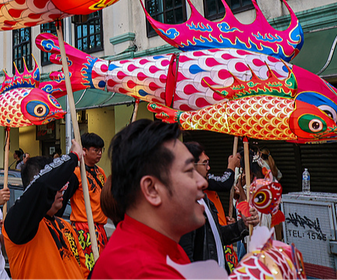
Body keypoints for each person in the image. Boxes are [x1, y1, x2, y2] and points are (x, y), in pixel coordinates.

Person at [90, 119, 207, 280]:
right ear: (151, 189)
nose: (202, 182)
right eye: (189, 171)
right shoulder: (144, 271)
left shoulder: (161, 246)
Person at [3, 143, 88, 280]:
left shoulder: (64, 226)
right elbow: (42, 185)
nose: (62, 189)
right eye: (58, 184)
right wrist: (73, 157)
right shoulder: (19, 223)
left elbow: (83, 270)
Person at [179, 142, 259, 272]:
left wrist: (242, 224)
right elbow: (186, 258)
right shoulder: (183, 207)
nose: (209, 168)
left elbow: (217, 235)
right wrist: (231, 166)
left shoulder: (204, 200)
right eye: (205, 163)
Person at [64, 132, 108, 271]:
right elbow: (64, 198)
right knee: (88, 269)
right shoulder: (76, 173)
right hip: (84, 228)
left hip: (100, 227)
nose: (99, 153)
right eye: (95, 150)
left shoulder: (100, 172)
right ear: (84, 150)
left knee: (101, 267)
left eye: (101, 150)